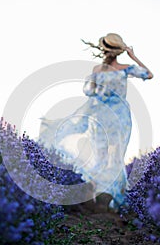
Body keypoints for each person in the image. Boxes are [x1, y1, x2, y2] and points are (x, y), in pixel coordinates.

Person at [37, 33, 153, 210]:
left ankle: (98, 196)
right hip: (118, 117)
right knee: (115, 156)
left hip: (100, 115)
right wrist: (133, 56)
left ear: (103, 50)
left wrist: (101, 91)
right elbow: (149, 74)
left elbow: (89, 91)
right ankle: (106, 198)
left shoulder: (98, 71)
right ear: (119, 52)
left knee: (100, 154)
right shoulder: (125, 68)